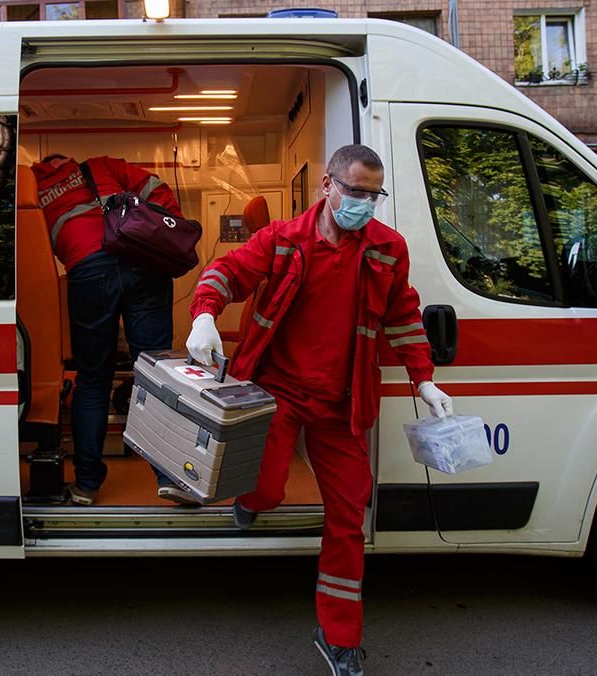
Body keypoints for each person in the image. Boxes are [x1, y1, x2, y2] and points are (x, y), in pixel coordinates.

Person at [186, 144, 453, 676]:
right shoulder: (283, 240)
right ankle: (253, 502)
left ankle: (339, 637)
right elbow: (226, 272)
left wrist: (423, 379)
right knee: (266, 489)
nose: (364, 204)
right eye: (355, 191)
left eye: (373, 195)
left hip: (343, 403)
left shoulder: (387, 249)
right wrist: (204, 316)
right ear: (327, 186)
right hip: (278, 392)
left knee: (350, 517)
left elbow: (403, 314)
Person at [31, 154, 199, 506]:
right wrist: (166, 230)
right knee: (156, 375)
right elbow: (156, 187)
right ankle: (171, 478)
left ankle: (86, 485)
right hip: (143, 258)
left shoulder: (32, 188)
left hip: (87, 270)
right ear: (67, 161)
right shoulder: (100, 166)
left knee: (93, 380)